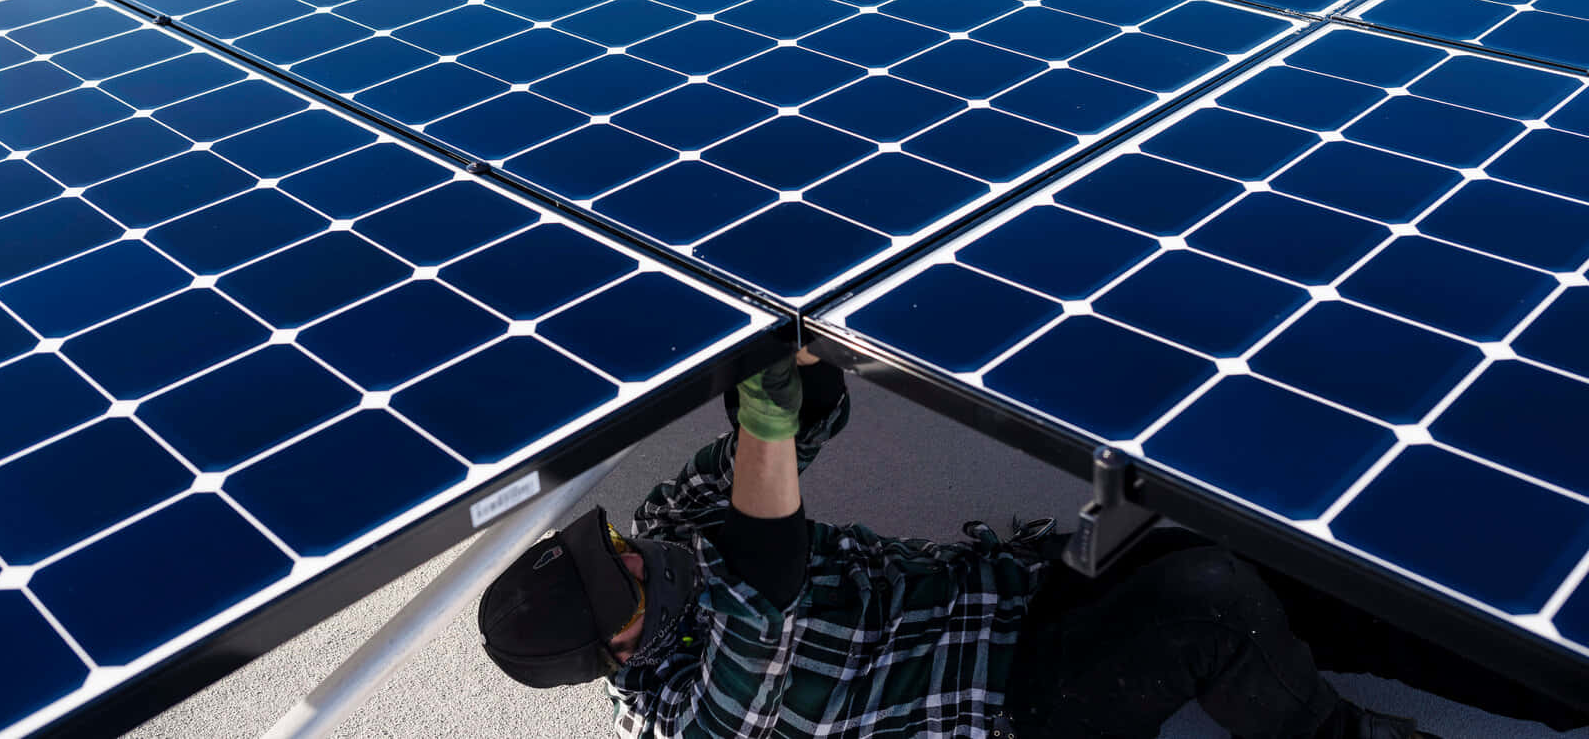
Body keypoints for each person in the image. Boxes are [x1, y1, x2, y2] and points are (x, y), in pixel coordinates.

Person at [477, 354, 1588, 738]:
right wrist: (763, 429)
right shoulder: (704, 716)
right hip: (1007, 702)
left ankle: (1551, 678)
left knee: (1270, 566)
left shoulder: (661, 544)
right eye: (611, 588)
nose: (627, 557)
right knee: (1208, 600)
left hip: (999, 591)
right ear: (620, 657)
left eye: (603, 546)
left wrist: (786, 387)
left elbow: (789, 438)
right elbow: (769, 575)